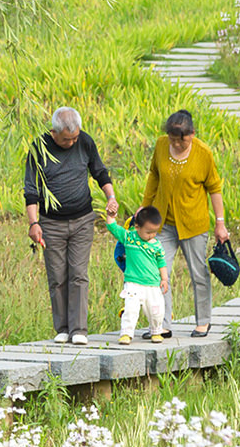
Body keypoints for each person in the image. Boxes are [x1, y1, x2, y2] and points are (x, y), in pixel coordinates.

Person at [25, 106, 119, 346]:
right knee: (57, 276)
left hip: (82, 220)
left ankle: (79, 329)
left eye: (75, 137)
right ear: (54, 133)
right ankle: (63, 328)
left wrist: (111, 197)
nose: (72, 142)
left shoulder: (84, 141)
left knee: (78, 274)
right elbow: (31, 190)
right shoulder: (39, 148)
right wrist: (34, 223)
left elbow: (100, 172)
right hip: (51, 223)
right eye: (67, 139)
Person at [140, 109, 229, 338]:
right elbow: (154, 176)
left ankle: (203, 322)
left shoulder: (203, 153)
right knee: (159, 273)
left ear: (192, 134)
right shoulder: (161, 145)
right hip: (163, 223)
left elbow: (214, 189)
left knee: (199, 273)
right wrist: (145, 206)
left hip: (193, 224)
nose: (177, 145)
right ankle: (162, 325)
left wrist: (220, 223)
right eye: (173, 140)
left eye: (183, 140)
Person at [102, 206, 169, 345]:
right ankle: (126, 333)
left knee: (156, 309)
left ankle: (156, 331)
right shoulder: (129, 238)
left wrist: (164, 279)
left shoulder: (157, 245)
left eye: (155, 232)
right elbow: (112, 227)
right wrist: (110, 215)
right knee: (130, 309)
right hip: (133, 282)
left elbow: (161, 263)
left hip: (153, 283)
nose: (152, 235)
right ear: (137, 227)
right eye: (148, 232)